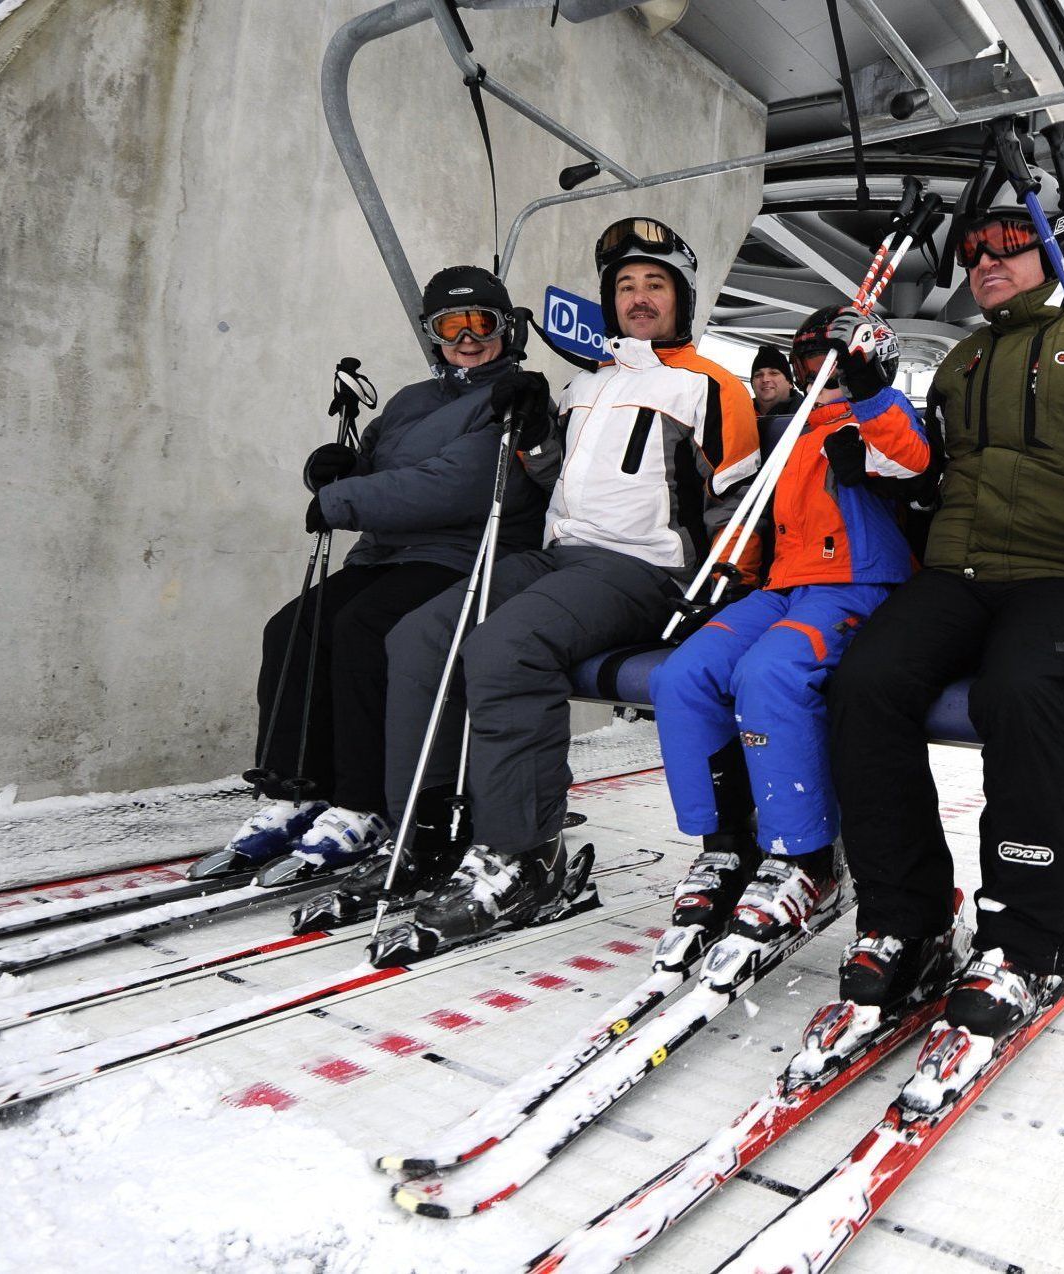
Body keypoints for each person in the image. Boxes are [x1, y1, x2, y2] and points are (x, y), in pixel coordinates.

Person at [825, 174, 1064, 1040]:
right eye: (972, 248)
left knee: (1025, 696)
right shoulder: (962, 362)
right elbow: (937, 471)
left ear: (1051, 248)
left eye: (1007, 240)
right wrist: (880, 465)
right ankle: (907, 914)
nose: (985, 259)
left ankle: (1021, 939)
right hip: (957, 573)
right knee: (863, 683)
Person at [369, 217, 761, 960]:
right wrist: (537, 439)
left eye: (654, 285)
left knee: (506, 650)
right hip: (561, 557)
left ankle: (524, 856)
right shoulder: (588, 385)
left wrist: (728, 592)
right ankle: (423, 828)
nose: (639, 298)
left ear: (681, 296)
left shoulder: (712, 388)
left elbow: (736, 506)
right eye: (625, 286)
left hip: (643, 571)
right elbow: (559, 486)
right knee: (420, 636)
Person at [199, 266, 548, 880]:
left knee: (365, 630)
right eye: (450, 325)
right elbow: (373, 467)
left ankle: (365, 805)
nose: (467, 338)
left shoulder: (514, 398)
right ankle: (297, 788)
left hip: (459, 554)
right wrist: (334, 471)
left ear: (507, 328)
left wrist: (341, 501)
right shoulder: (413, 400)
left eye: (482, 323)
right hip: (385, 554)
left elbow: (454, 486)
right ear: (433, 334)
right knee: (292, 628)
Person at [649, 305, 927, 958]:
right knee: (683, 675)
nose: (817, 376)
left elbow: (913, 465)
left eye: (831, 363)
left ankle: (806, 858)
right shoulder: (793, 430)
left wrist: (869, 397)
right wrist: (723, 579)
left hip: (858, 582)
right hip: (785, 585)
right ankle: (726, 845)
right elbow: (756, 518)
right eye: (808, 365)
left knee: (770, 673)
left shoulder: (879, 413)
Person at [749, 344, 804, 450]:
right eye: (758, 375)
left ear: (790, 383)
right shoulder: (737, 416)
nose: (765, 379)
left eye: (773, 373)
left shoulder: (810, 416)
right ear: (752, 383)